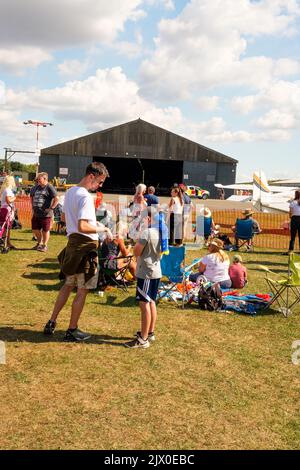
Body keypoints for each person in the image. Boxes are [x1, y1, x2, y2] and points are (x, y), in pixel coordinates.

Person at [43, 162, 112, 342]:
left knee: (67, 285)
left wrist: (98, 224)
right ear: (91, 176)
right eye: (100, 181)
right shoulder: (85, 196)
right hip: (85, 248)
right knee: (82, 290)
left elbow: (66, 218)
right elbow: (83, 225)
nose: (100, 185)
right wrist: (103, 230)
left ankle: (52, 321)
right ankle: (72, 330)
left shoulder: (71, 191)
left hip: (72, 245)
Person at [124, 207, 162, 349]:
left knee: (144, 304)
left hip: (146, 271)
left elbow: (136, 251)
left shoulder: (147, 232)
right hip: (156, 270)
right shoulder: (160, 231)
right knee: (151, 301)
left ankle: (143, 339)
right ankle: (149, 332)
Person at [30, 172, 59, 252]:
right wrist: (33, 206)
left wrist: (51, 208)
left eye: (39, 179)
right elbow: (32, 197)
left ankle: (44, 245)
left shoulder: (49, 187)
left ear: (45, 179)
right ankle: (39, 243)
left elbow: (56, 199)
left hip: (46, 214)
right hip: (36, 213)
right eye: (37, 179)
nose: (38, 180)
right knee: (35, 229)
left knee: (45, 230)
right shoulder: (36, 187)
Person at [0, 175, 16, 249]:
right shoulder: (8, 190)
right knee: (6, 227)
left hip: (4, 209)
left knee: (4, 227)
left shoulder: (4, 189)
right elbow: (8, 200)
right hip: (7, 210)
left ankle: (6, 242)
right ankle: (6, 242)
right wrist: (14, 197)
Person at [288, 190, 300, 254]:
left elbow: (290, 213)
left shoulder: (293, 202)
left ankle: (290, 250)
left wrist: (291, 217)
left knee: (293, 236)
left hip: (294, 219)